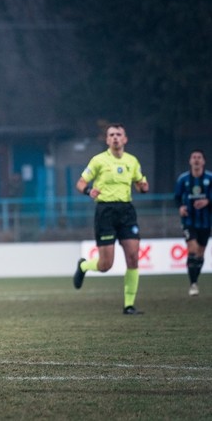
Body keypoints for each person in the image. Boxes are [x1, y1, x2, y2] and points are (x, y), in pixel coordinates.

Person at [73, 123, 149, 315]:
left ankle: (129, 305)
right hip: (105, 211)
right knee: (106, 265)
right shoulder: (98, 160)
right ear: (107, 140)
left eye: (119, 134)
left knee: (133, 257)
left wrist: (143, 186)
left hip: (126, 211)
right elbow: (81, 183)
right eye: (111, 135)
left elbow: (140, 184)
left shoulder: (132, 161)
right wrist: (90, 191)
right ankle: (83, 266)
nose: (115, 137)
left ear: (125, 139)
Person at [174, 149, 212, 296]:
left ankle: (195, 279)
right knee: (192, 249)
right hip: (189, 220)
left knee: (200, 254)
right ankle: (193, 284)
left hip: (206, 222)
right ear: (190, 161)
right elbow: (177, 197)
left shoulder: (210, 178)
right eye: (194, 157)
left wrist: (207, 201)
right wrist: (181, 207)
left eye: (199, 157)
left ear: (203, 161)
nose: (196, 160)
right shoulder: (183, 179)